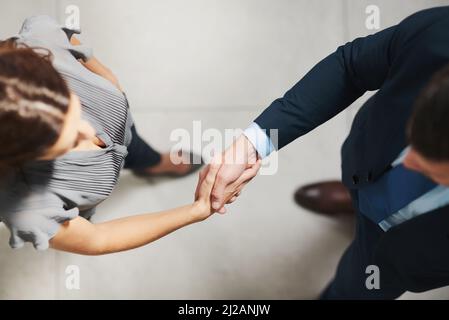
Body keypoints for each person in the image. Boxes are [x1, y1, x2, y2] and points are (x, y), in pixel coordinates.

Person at [199, 6, 449, 298]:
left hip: (408, 255)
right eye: (414, 143)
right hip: (367, 161)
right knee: (366, 184)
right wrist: (252, 144)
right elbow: (352, 67)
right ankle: (357, 198)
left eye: (436, 170)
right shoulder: (439, 37)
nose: (407, 162)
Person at [0, 15, 246, 255]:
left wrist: (106, 75)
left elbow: (51, 31)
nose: (92, 133)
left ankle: (154, 162)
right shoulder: (28, 210)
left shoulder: (37, 47)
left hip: (123, 128)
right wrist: (196, 210)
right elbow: (99, 238)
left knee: (137, 149)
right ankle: (151, 162)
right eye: (69, 141)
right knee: (133, 148)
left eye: (72, 107)